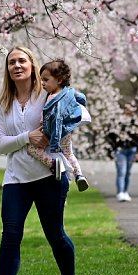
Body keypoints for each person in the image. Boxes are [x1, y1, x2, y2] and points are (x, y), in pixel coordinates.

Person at [0, 47, 81, 275]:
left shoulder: (47, 95)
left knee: (55, 235)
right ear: (8, 69)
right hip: (15, 179)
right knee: (10, 235)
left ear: (32, 65)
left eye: (22, 60)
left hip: (49, 175)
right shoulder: (3, 103)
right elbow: (1, 145)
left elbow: (73, 114)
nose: (17, 65)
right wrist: (27, 137)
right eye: (12, 62)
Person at [26, 58, 90, 193]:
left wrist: (54, 143)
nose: (42, 83)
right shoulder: (70, 91)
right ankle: (79, 175)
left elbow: (57, 120)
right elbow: (82, 98)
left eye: (46, 80)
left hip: (53, 132)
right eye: (41, 79)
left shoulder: (54, 98)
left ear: (59, 80)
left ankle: (54, 165)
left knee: (32, 149)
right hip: (66, 132)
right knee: (69, 154)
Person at [106, 102, 138, 202]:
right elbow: (110, 135)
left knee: (128, 172)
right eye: (126, 108)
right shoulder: (117, 121)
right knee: (121, 172)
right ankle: (120, 192)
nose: (128, 110)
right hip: (120, 150)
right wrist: (114, 147)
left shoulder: (135, 121)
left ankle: (125, 191)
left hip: (132, 150)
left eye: (130, 108)